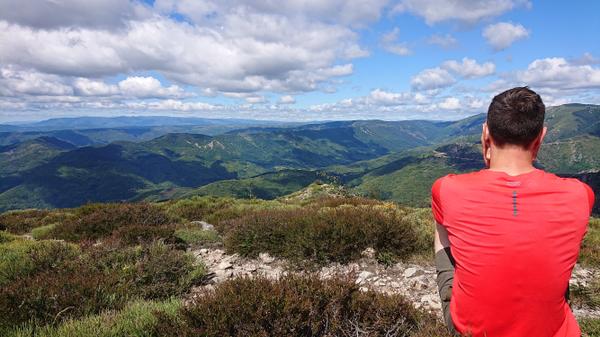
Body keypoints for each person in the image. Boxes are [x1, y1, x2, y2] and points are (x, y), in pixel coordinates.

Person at [432, 87, 595, 337]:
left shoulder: (446, 188)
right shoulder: (580, 195)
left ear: (485, 133)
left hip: (472, 332)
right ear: (541, 137)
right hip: (555, 332)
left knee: (441, 227)